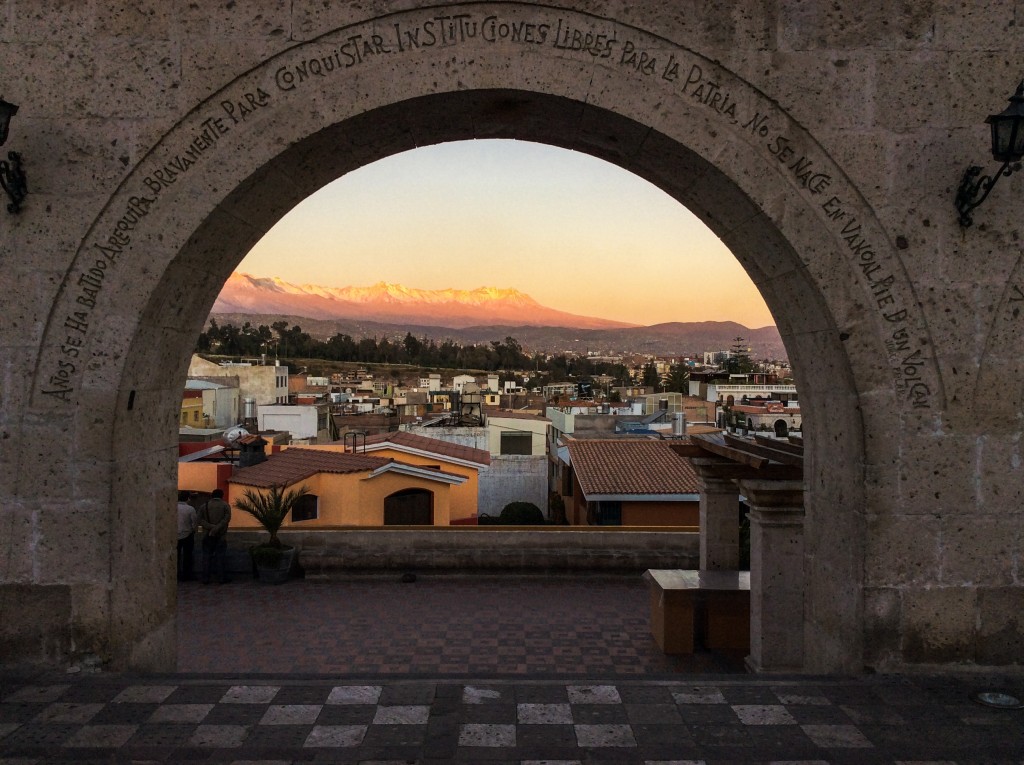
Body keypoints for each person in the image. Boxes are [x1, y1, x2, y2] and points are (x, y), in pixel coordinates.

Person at [198, 488, 232, 584]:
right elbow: (227, 519)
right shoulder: (225, 506)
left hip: (207, 535)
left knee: (206, 557)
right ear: (222, 496)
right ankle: (221, 578)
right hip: (221, 535)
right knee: (220, 557)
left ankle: (205, 578)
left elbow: (199, 520)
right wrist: (217, 527)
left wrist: (210, 527)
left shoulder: (204, 506)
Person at [176, 490, 197, 581]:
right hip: (187, 534)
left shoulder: (173, 507)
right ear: (188, 498)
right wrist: (193, 530)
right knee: (187, 556)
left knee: (176, 556)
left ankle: (176, 574)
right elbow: (194, 522)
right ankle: (187, 575)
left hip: (174, 535)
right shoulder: (190, 509)